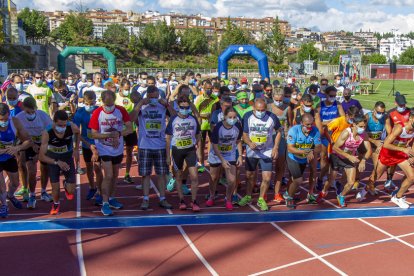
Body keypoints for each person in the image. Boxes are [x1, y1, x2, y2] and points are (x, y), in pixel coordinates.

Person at [89, 90, 132, 216]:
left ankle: (112, 198)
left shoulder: (121, 110)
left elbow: (129, 128)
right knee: (108, 175)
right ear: (102, 101)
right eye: (107, 104)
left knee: (115, 175)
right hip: (104, 148)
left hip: (117, 148)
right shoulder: (97, 112)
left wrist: (118, 134)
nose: (109, 106)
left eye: (111, 103)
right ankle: (105, 202)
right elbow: (93, 133)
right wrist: (107, 135)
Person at [130, 86, 174, 210]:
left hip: (160, 145)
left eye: (156, 97)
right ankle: (145, 199)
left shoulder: (162, 106)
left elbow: (176, 117)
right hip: (145, 145)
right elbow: (131, 118)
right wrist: (139, 104)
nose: (154, 100)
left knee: (161, 173)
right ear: (147, 96)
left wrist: (167, 105)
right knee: (145, 174)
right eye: (151, 97)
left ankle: (162, 198)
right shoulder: (142, 106)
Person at [363, 108, 414, 208]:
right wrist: (403, 149)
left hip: (399, 155)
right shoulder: (400, 127)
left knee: (412, 177)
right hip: (388, 153)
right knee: (376, 175)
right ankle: (365, 189)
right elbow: (386, 144)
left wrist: (412, 155)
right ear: (411, 118)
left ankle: (397, 197)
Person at [239, 98, 282, 211]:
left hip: (266, 150)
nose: (260, 112)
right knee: (249, 176)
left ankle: (261, 198)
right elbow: (244, 133)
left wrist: (275, 147)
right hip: (252, 150)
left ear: (266, 108)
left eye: (263, 110)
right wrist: (248, 142)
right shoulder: (248, 116)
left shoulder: (272, 117)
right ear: (254, 108)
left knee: (267, 178)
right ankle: (248, 196)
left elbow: (279, 131)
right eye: (258, 110)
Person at [39, 110, 80, 215]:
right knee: (55, 188)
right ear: (54, 122)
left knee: (71, 191)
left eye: (64, 125)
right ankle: (56, 204)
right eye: (59, 125)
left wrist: (76, 149)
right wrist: (57, 162)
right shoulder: (47, 133)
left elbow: (78, 133)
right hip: (53, 159)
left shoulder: (72, 127)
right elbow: (41, 156)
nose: (62, 127)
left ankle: (66, 184)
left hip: (67, 157)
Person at [16, 97, 54, 209]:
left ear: (36, 108)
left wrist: (41, 147)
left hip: (43, 142)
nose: (30, 114)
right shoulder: (19, 118)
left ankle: (43, 191)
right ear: (24, 109)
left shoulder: (42, 115)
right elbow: (18, 134)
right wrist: (32, 145)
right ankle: (32, 195)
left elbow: (51, 130)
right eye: (28, 112)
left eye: (33, 111)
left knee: (44, 167)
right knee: (31, 170)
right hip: (28, 143)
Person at [166, 95, 202, 211]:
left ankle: (194, 201)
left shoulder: (193, 119)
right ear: (178, 106)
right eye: (182, 107)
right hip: (177, 151)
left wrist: (199, 150)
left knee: (195, 176)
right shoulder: (173, 119)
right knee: (179, 176)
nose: (185, 109)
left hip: (190, 150)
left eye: (187, 107)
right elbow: (168, 138)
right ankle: (181, 200)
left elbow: (198, 135)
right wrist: (168, 156)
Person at [332, 115, 372, 207]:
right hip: (337, 157)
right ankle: (322, 191)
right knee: (330, 180)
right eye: (361, 126)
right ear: (354, 124)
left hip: (350, 158)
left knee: (350, 182)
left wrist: (363, 161)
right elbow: (335, 147)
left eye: (364, 126)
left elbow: (369, 150)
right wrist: (348, 156)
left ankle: (341, 196)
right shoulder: (346, 133)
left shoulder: (364, 134)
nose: (363, 128)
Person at [207, 107, 243, 211]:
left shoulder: (237, 126)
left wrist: (240, 156)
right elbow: (214, 144)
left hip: (229, 153)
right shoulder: (218, 127)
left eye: (234, 117)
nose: (233, 119)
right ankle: (212, 196)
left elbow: (238, 141)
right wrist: (222, 160)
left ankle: (228, 199)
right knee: (214, 177)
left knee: (232, 180)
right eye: (230, 117)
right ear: (224, 117)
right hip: (216, 154)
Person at [0, 103, 31, 218]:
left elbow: (28, 140)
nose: (4, 122)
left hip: (9, 157)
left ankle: (10, 195)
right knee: (1, 185)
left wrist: (17, 148)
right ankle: (4, 205)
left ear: (9, 115)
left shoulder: (15, 122)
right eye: (1, 120)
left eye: (5, 119)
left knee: (15, 183)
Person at [285, 113, 322, 208]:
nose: (310, 126)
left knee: (294, 178)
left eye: (311, 124)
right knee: (298, 180)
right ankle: (289, 198)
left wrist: (311, 151)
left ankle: (288, 192)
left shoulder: (315, 130)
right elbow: (290, 148)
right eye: (307, 124)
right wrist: (304, 152)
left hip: (304, 159)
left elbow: (318, 147)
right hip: (293, 157)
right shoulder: (294, 130)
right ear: (301, 123)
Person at [73, 91, 103, 203]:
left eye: (92, 103)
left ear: (95, 100)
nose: (90, 106)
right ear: (83, 101)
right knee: (89, 168)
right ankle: (92, 187)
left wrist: (97, 143)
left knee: (98, 168)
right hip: (86, 144)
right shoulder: (80, 112)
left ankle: (100, 191)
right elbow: (77, 132)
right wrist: (81, 146)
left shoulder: (100, 111)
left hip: (99, 144)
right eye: (87, 103)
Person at [383, 93, 411, 190]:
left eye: (404, 105)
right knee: (391, 162)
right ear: (395, 103)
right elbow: (388, 129)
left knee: (407, 162)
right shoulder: (390, 113)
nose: (402, 107)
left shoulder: (409, 112)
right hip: (394, 141)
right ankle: (389, 179)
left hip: (406, 142)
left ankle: (406, 182)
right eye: (400, 105)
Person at [267, 88, 289, 202]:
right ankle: (264, 192)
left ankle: (277, 193)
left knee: (280, 167)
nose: (279, 102)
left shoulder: (287, 108)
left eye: (281, 99)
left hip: (282, 139)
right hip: (268, 139)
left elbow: (290, 123)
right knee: (267, 167)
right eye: (276, 99)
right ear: (272, 97)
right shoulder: (268, 107)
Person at [116, 79, 138, 184]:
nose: (127, 91)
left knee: (129, 152)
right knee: (117, 152)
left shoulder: (131, 97)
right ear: (120, 87)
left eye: (128, 89)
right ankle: (114, 173)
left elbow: (135, 111)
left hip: (130, 129)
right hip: (117, 129)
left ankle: (127, 174)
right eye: (125, 89)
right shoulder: (115, 97)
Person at [195, 81, 219, 173]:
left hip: (211, 125)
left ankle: (211, 160)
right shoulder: (199, 98)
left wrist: (212, 115)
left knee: (213, 143)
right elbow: (195, 112)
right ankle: (201, 163)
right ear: (203, 89)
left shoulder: (215, 98)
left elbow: (217, 110)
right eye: (207, 89)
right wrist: (204, 115)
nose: (209, 90)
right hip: (202, 125)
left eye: (210, 89)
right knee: (201, 145)